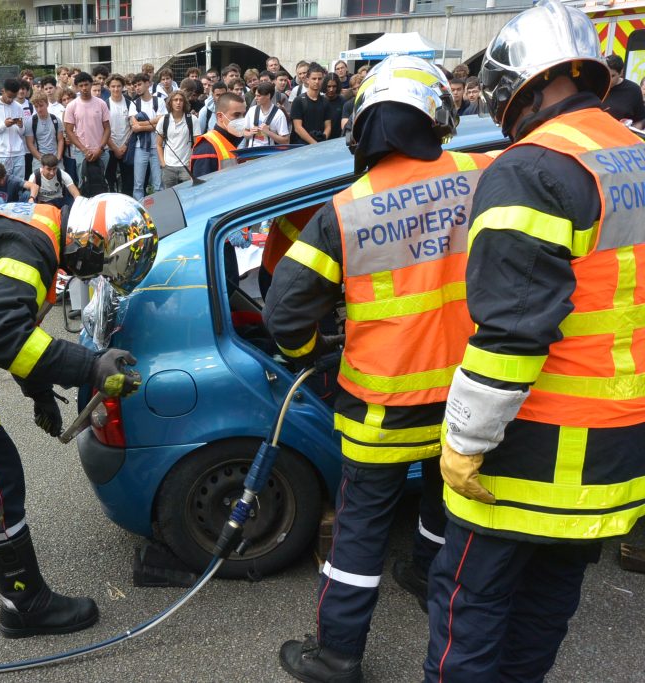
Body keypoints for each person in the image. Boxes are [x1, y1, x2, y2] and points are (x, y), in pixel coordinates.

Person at [424, 2, 645, 680]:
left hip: (528, 450)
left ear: (523, 83)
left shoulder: (530, 169)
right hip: (617, 452)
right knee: (546, 607)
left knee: (470, 613)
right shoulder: (633, 153)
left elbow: (514, 331)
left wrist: (463, 441)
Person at [265, 55, 490, 683]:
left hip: (379, 407)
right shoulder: (486, 174)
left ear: (362, 125)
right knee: (450, 506)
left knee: (361, 532)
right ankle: (424, 572)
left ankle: (338, 655)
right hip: (472, 398)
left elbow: (285, 313)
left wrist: (315, 358)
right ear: (439, 115)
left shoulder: (343, 211)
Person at [0, 194, 145, 638]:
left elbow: (15, 329)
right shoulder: (28, 246)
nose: (93, 274)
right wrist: (90, 366)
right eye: (102, 263)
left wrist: (39, 394)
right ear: (91, 240)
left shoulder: (37, 227)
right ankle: (23, 605)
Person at [64, 71, 111, 188]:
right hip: (81, 152)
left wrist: (100, 149)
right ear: (77, 87)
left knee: (102, 182)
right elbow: (69, 131)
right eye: (81, 86)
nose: (84, 88)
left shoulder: (101, 104)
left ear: (91, 84)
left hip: (101, 151)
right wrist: (84, 150)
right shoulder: (72, 106)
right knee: (83, 183)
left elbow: (107, 128)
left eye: (86, 84)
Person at [189, 92, 246, 178]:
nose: (241, 119)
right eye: (237, 115)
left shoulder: (233, 139)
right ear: (220, 116)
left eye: (243, 115)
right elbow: (202, 189)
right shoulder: (207, 148)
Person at [0, 78, 27, 183]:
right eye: (9, 96)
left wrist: (20, 126)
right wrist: (3, 125)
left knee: (19, 184)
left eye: (14, 97)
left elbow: (22, 133)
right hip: (1, 154)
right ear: (3, 91)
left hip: (19, 153)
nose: (11, 100)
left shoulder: (19, 107)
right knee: (2, 184)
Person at [127, 73, 164, 199]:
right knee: (138, 184)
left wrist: (142, 125)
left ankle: (160, 209)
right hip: (140, 147)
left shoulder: (158, 101)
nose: (137, 88)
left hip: (157, 146)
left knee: (158, 184)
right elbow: (134, 126)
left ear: (147, 84)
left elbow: (162, 122)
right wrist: (154, 121)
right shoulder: (134, 103)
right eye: (135, 86)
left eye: (140, 84)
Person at [156, 90, 199, 188]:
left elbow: (197, 144)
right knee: (169, 195)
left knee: (188, 194)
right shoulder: (164, 120)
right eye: (175, 100)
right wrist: (163, 163)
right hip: (168, 166)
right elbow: (158, 144)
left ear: (184, 103)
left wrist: (191, 162)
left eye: (181, 100)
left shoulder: (192, 119)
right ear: (170, 102)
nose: (178, 102)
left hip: (186, 166)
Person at [105, 74, 134, 194]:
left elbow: (133, 126)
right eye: (113, 86)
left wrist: (125, 145)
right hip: (110, 147)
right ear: (108, 87)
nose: (116, 89)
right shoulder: (104, 105)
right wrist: (115, 148)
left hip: (126, 148)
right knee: (110, 179)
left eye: (118, 86)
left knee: (128, 180)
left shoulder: (130, 103)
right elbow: (103, 129)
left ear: (123, 87)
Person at [291, 64, 331, 144]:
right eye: (314, 78)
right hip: (301, 146)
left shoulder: (325, 101)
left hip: (320, 145)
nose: (317, 81)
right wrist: (314, 144)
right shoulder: (298, 101)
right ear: (307, 80)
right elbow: (298, 128)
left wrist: (322, 140)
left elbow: (328, 126)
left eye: (319, 79)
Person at [602, 53, 645, 127]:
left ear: (621, 72)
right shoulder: (595, 86)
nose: (608, 79)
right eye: (605, 74)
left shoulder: (633, 90)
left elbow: (640, 120)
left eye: (613, 76)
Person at [243, 82, 290, 148]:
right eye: (255, 95)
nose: (256, 98)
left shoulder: (279, 114)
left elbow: (286, 141)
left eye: (259, 96)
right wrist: (250, 133)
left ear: (268, 96)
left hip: (269, 153)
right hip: (252, 152)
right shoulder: (252, 110)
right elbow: (245, 132)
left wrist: (268, 132)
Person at [26, 94, 64, 172]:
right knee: (38, 182)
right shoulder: (31, 121)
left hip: (55, 157)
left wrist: (58, 157)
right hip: (39, 159)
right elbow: (30, 144)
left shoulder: (56, 120)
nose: (39, 109)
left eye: (41, 106)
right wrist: (41, 159)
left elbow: (60, 140)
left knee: (61, 181)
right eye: (36, 107)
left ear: (47, 104)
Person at [322, 74, 346, 139]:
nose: (331, 89)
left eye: (334, 86)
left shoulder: (343, 101)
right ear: (324, 86)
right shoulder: (320, 101)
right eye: (328, 86)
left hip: (338, 139)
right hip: (322, 139)